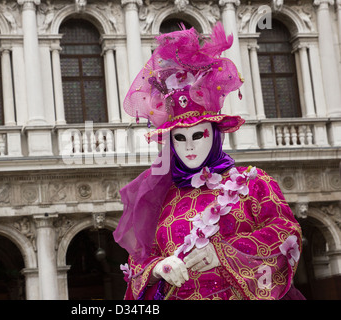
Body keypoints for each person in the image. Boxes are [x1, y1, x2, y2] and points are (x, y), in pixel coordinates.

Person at [113, 22, 304, 300]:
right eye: (179, 138)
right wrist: (159, 268)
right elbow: (140, 261)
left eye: (198, 134)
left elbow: (286, 233)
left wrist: (225, 253)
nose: (189, 146)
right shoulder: (162, 198)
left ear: (214, 135)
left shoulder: (255, 184)